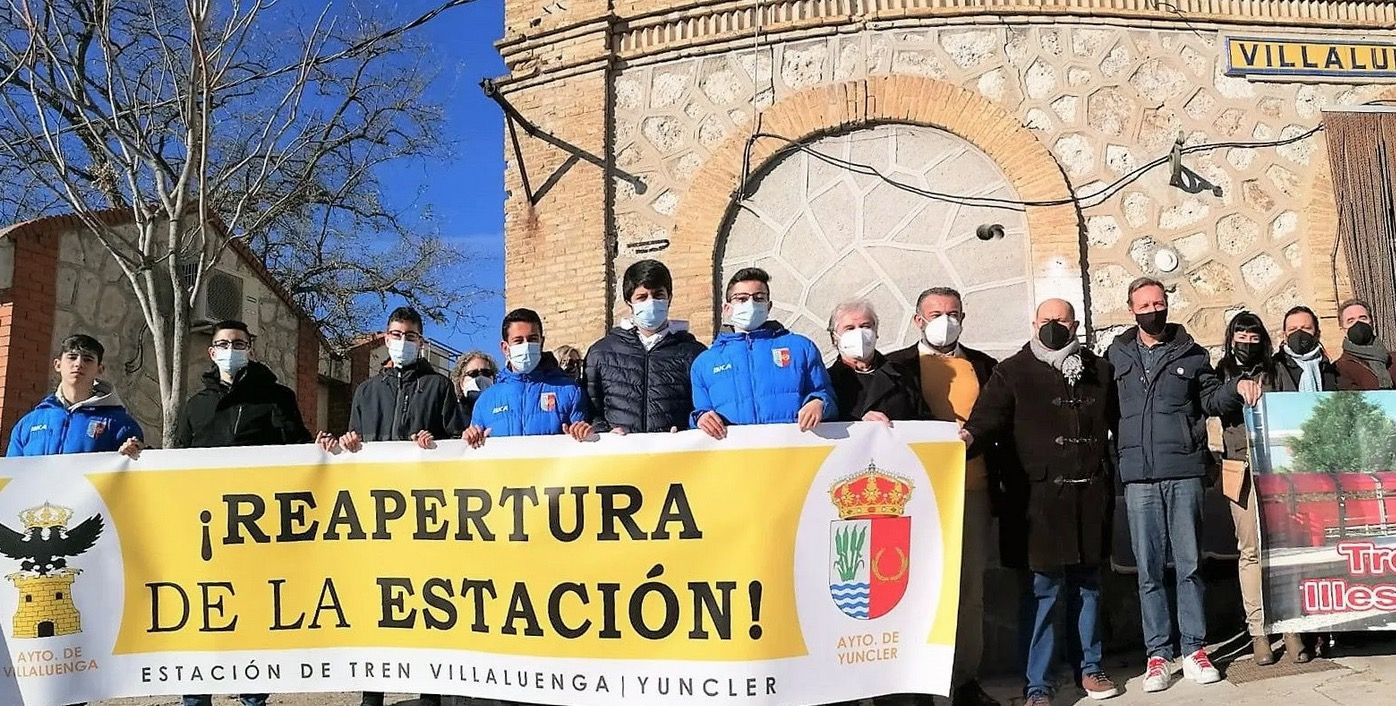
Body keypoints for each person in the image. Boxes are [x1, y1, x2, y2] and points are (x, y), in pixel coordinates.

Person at [964, 299, 1119, 706]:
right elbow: (985, 421)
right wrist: (966, 440)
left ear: (1076, 324)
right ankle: (1038, 684)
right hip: (1037, 504)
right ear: (1033, 323)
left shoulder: (1098, 370)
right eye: (1046, 320)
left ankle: (1090, 667)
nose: (1054, 326)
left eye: (1061, 320)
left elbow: (1116, 426)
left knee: (1088, 586)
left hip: (1088, 498)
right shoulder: (1010, 372)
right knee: (1042, 592)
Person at [1106, 278, 1257, 693]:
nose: (1153, 310)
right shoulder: (1116, 354)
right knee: (1149, 571)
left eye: (1159, 302)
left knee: (1190, 566)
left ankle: (1194, 648)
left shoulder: (1192, 354)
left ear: (1167, 305)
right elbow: (1105, 409)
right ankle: (1158, 655)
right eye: (1144, 304)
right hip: (1139, 479)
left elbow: (1209, 399)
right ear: (1130, 309)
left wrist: (1236, 390)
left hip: (1184, 472)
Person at [323, 307, 462, 706]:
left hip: (425, 518)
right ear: (386, 337)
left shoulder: (439, 387)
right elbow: (354, 440)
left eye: (412, 335)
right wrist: (346, 446)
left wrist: (434, 444)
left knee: (428, 603)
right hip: (377, 519)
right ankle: (372, 694)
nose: (403, 341)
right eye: (397, 333)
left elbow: (455, 444)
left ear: (421, 343)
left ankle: (429, 693)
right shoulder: (366, 391)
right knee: (378, 607)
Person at [174, 320, 312, 706]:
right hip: (208, 533)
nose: (231, 349)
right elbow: (177, 464)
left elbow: (299, 452)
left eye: (239, 343)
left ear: (251, 348)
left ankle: (254, 697)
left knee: (253, 615)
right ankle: (196, 697)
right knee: (203, 613)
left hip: (258, 532)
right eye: (223, 343)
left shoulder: (277, 397)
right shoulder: (195, 405)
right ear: (211, 351)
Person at [885, 286, 1000, 706]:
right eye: (935, 313)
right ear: (918, 320)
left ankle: (964, 680)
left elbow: (998, 418)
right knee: (911, 591)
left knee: (969, 591)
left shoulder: (984, 367)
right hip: (911, 499)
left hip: (972, 490)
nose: (945, 320)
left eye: (953, 313)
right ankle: (915, 684)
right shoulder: (896, 367)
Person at [1217, 311, 1315, 666]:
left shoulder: (1278, 371)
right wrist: (1235, 388)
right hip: (1240, 469)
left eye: (1253, 336)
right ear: (1231, 339)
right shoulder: (1221, 372)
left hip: (1278, 469)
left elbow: (1294, 409)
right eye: (1240, 336)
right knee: (1250, 551)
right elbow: (1212, 404)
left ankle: (1291, 628)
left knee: (1285, 547)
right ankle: (1258, 631)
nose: (1247, 343)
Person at [689, 267, 836, 439]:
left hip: (794, 454)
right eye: (741, 299)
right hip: (736, 457)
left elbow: (827, 397)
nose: (751, 304)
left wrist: (819, 403)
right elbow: (701, 411)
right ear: (727, 308)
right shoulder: (704, 363)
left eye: (759, 298)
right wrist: (700, 418)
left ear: (768, 306)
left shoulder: (801, 348)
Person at [585, 259, 706, 433]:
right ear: (629, 303)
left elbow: (702, 408)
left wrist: (687, 430)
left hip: (676, 456)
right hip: (620, 457)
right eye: (642, 297)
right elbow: (590, 410)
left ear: (669, 298)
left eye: (658, 295)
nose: (651, 302)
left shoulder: (693, 352)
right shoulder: (601, 353)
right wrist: (604, 433)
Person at [463, 308, 592, 446]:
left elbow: (585, 444)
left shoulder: (570, 391)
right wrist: (468, 437)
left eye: (532, 339)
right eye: (518, 341)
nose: (526, 345)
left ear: (541, 342)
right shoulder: (486, 400)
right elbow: (471, 449)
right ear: (505, 348)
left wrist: (583, 432)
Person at [7, 334, 143, 459]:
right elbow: (14, 475)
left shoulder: (120, 424)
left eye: (88, 359)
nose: (78, 364)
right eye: (72, 357)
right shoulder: (28, 423)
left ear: (100, 369)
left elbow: (134, 474)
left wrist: (132, 455)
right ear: (57, 365)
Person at [825, 299, 927, 423]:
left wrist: (952, 430)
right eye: (850, 328)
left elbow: (924, 421)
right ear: (834, 337)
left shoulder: (902, 375)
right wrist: (861, 425)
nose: (859, 333)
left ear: (876, 332)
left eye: (865, 326)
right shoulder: (827, 380)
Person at [1273, 306, 1341, 393]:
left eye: (1306, 328)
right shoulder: (1273, 368)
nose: (1299, 334)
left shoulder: (1331, 369)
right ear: (1285, 336)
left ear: (1317, 334)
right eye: (1292, 329)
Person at [1334, 299, 1396, 391]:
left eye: (1363, 318)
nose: (1358, 323)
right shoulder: (1339, 368)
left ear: (1371, 323)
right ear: (1342, 328)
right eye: (1350, 321)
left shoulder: (1393, 359)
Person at [452, 350, 499, 422]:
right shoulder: (453, 414)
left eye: (486, 373)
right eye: (473, 373)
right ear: (461, 383)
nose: (481, 377)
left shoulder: (502, 410)